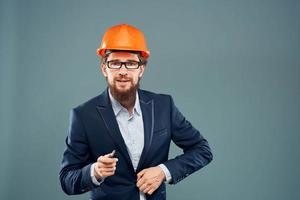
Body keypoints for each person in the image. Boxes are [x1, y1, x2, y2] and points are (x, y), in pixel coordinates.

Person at [59, 24, 213, 200]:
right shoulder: (83, 116)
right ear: (104, 69)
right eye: (115, 63)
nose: (123, 71)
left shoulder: (164, 106)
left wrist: (163, 171)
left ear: (141, 69)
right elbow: (66, 179)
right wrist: (95, 172)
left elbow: (202, 150)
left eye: (131, 63)